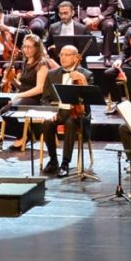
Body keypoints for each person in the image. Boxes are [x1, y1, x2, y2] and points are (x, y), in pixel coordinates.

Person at [40, 45, 94, 176]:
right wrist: (51, 112)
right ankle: (53, 160)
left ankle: (65, 163)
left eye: (67, 55)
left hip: (79, 114)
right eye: (61, 54)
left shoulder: (86, 74)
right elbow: (45, 98)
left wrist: (82, 79)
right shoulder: (52, 74)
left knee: (71, 122)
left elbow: (88, 99)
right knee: (47, 123)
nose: (63, 57)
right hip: (59, 112)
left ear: (76, 58)